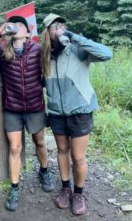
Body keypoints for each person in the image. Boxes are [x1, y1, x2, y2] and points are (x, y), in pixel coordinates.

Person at [0, 16, 54, 212]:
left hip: (35, 107)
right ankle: (15, 188)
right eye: (13, 25)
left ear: (27, 32)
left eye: (20, 26)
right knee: (15, 148)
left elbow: (54, 50)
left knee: (40, 142)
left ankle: (44, 171)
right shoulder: (2, 51)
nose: (17, 28)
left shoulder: (37, 50)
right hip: (12, 109)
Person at [40, 13, 112, 215]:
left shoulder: (78, 49)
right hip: (56, 114)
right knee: (62, 151)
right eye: (55, 26)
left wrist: (74, 36)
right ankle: (65, 188)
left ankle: (78, 193)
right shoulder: (44, 56)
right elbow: (40, 83)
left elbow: (107, 54)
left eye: (63, 25)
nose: (60, 29)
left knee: (78, 157)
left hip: (80, 111)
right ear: (47, 32)